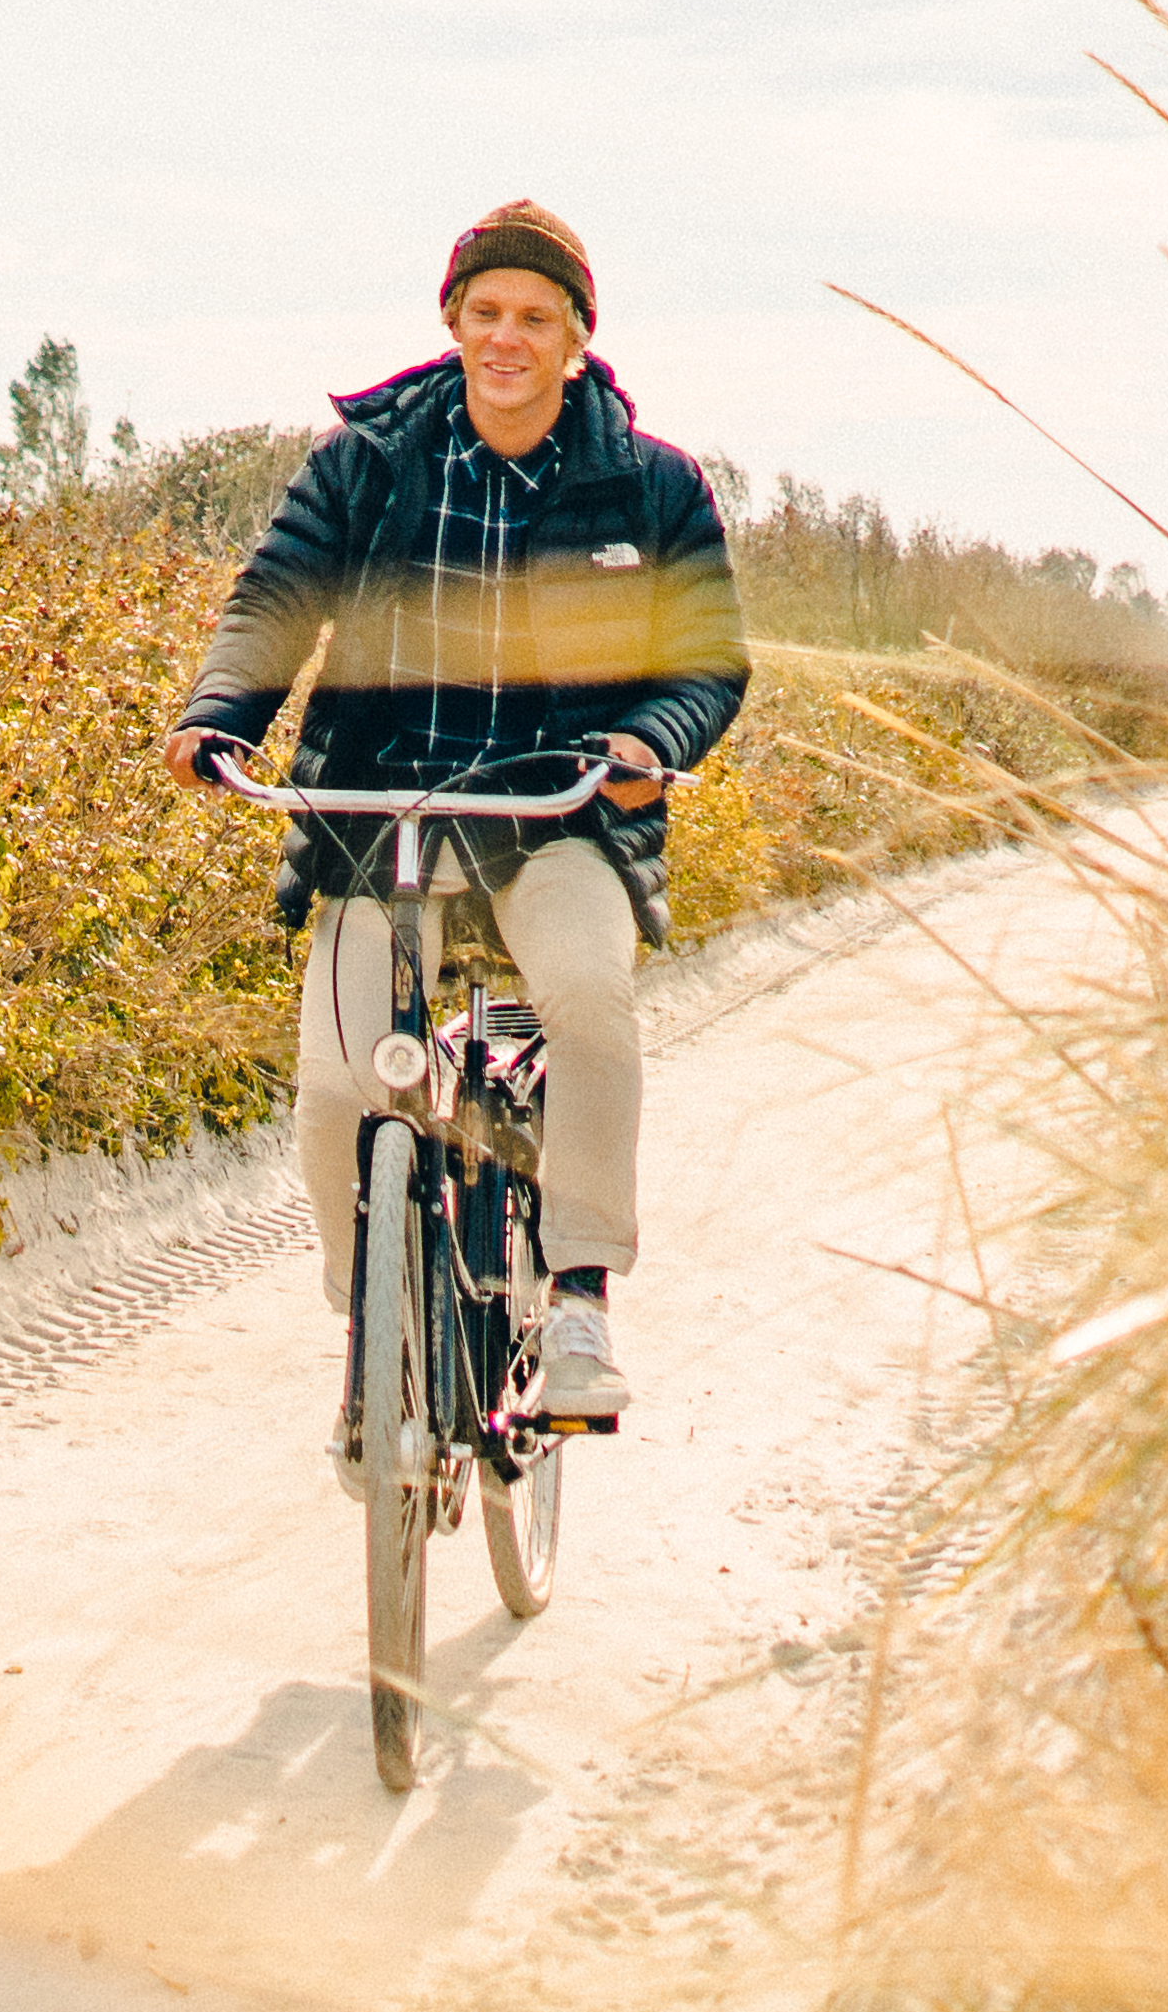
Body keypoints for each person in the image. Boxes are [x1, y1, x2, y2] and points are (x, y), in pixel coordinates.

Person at [169, 199, 745, 1439]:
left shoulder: (650, 487)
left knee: (588, 998)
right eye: (485, 312)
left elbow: (707, 663)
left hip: (558, 816)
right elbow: (274, 599)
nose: (507, 337)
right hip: (377, 814)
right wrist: (222, 714)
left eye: (536, 317)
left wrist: (651, 745)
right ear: (451, 321)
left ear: (578, 338)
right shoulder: (365, 463)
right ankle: (371, 1331)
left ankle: (580, 1294)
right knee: (334, 1090)